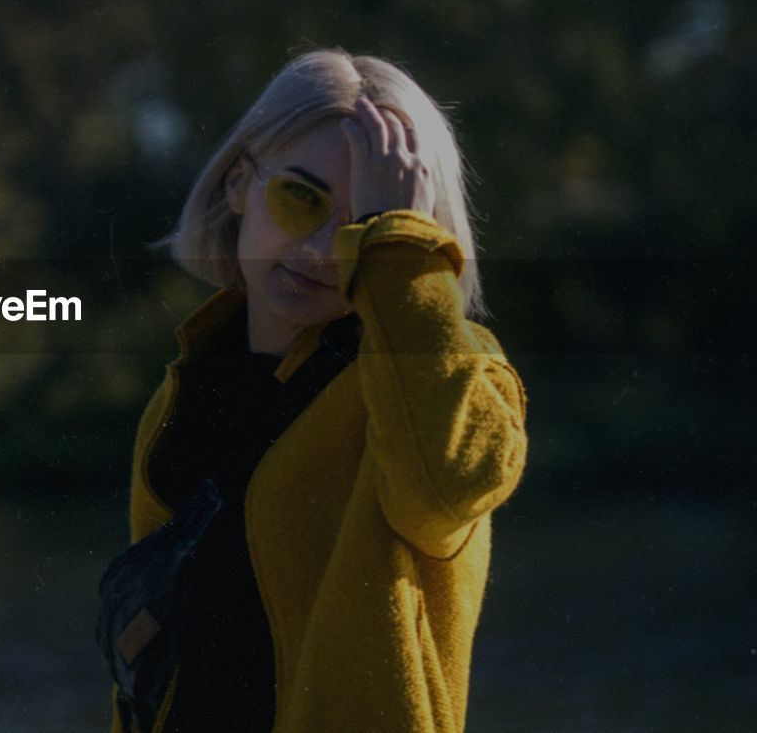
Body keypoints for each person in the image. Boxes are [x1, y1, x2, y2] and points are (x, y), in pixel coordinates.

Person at [100, 48, 528, 732]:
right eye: (302, 198)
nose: (326, 248)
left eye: (365, 221)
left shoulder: (452, 375)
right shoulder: (182, 393)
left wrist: (400, 259)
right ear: (239, 184)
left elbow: (449, 481)